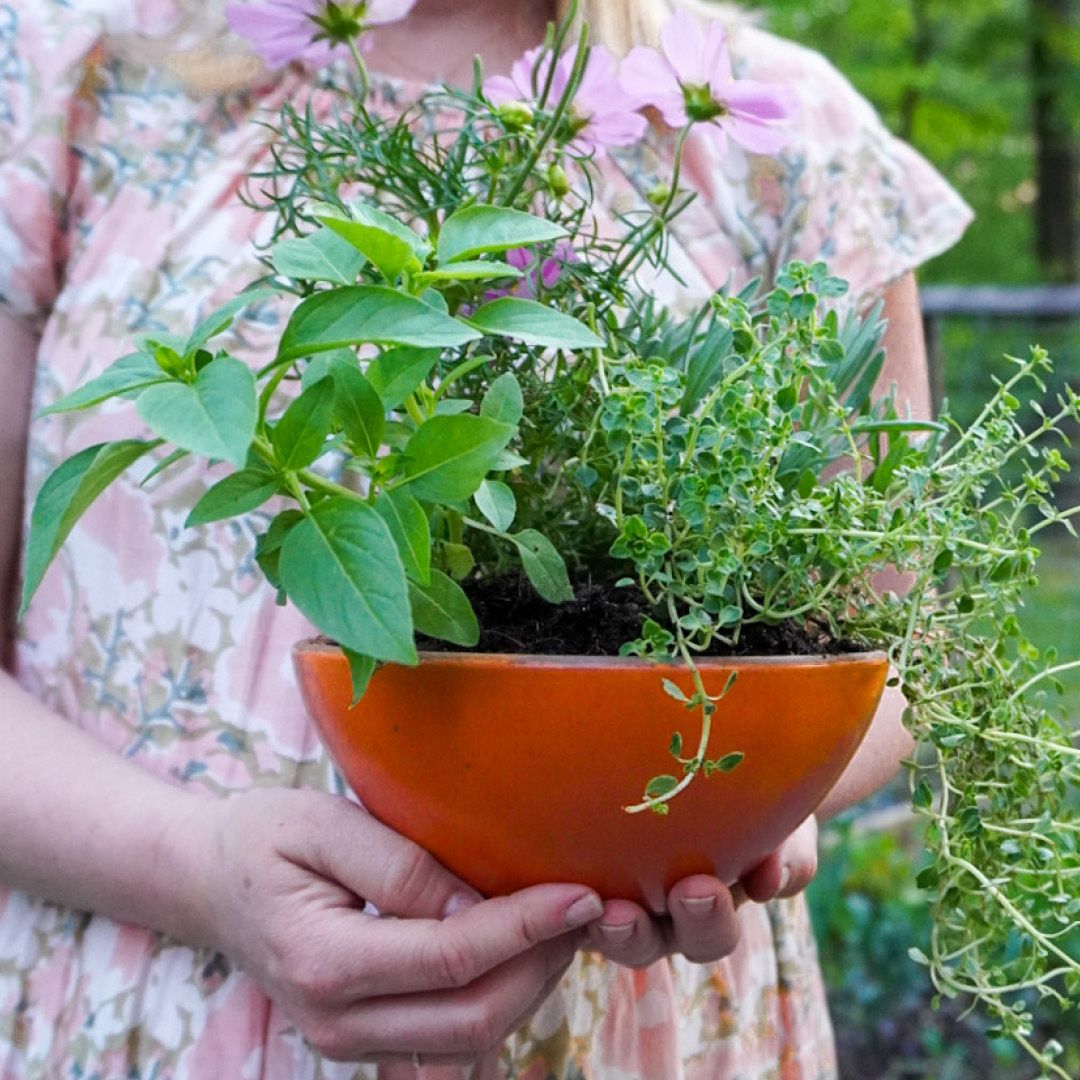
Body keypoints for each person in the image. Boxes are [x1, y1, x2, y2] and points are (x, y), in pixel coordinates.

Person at [0, 0, 972, 1076]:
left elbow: (898, 655)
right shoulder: (68, 72)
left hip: (627, 1012)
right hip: (155, 994)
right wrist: (193, 867)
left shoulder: (788, 133)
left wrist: (751, 788)